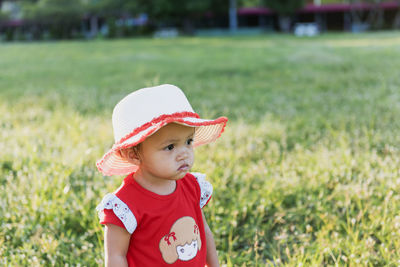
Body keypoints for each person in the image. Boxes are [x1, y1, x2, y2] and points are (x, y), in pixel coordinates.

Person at [96, 84, 228, 266]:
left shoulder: (193, 186)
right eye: (170, 147)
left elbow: (203, 232)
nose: (184, 153)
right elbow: (116, 256)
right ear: (134, 154)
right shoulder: (125, 205)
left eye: (189, 141)